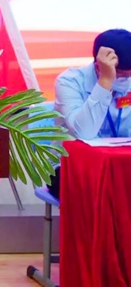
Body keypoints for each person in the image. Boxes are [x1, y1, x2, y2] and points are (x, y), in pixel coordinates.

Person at [49, 28, 131, 198]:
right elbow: (84, 132)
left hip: (121, 165)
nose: (127, 80)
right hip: (72, 167)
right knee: (106, 192)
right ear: (99, 67)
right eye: (122, 75)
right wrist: (106, 81)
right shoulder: (69, 81)